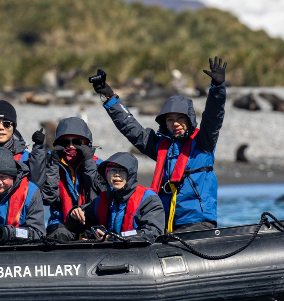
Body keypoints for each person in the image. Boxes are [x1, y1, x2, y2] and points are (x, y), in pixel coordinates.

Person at [91, 57, 227, 233]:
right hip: (163, 221)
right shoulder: (160, 146)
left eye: (180, 118)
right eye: (170, 119)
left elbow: (213, 116)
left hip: (196, 221)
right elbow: (130, 127)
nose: (175, 123)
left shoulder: (203, 143)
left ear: (189, 120)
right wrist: (109, 97)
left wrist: (217, 88)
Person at [64, 152, 164, 243]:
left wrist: (113, 238)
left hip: (138, 255)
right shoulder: (100, 200)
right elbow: (77, 226)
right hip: (110, 255)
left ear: (131, 174)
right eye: (112, 170)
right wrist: (73, 217)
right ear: (106, 174)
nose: (117, 175)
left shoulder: (149, 199)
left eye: (122, 171)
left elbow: (153, 232)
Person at [33, 117, 105, 242]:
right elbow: (48, 198)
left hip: (92, 221)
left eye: (76, 142)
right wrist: (53, 166)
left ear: (86, 143)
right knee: (58, 235)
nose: (71, 146)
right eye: (65, 143)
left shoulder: (100, 166)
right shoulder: (51, 164)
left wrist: (88, 163)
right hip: (61, 223)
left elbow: (99, 195)